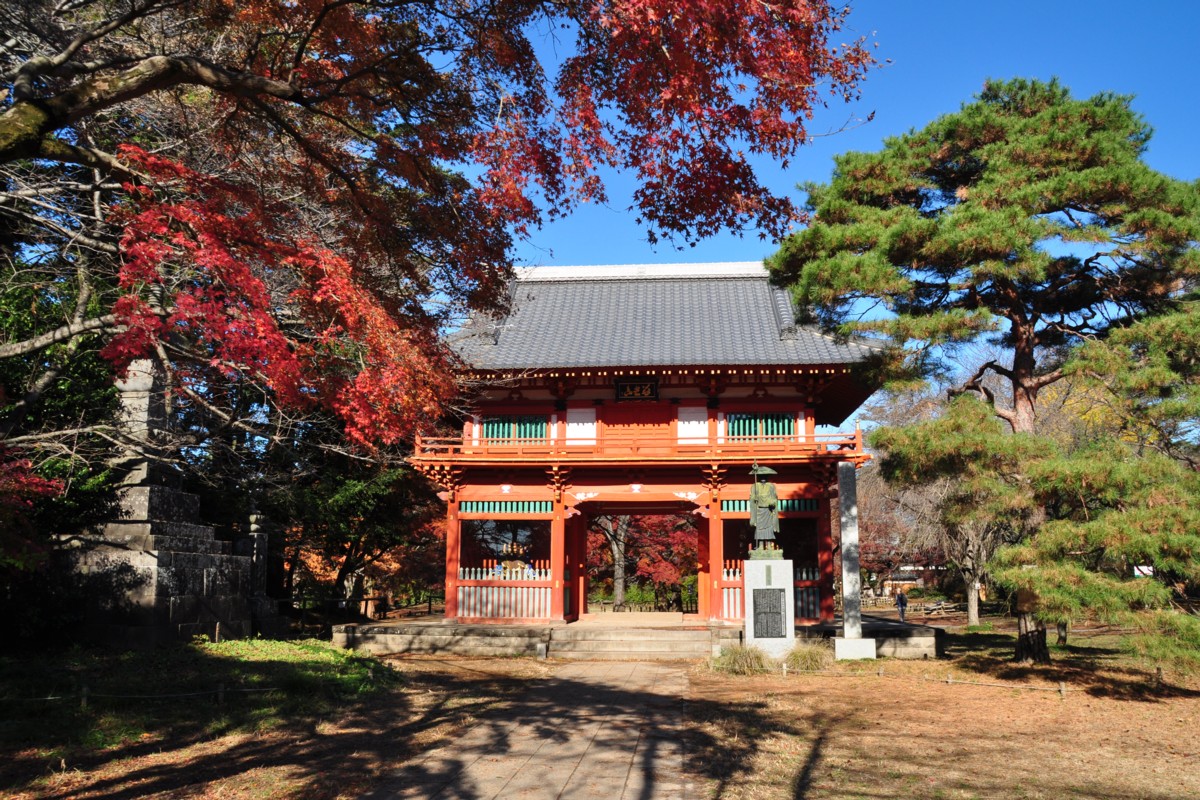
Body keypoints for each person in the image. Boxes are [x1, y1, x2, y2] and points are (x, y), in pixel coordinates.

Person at [748, 464, 780, 550]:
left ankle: (769, 546)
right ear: (758, 477)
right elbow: (752, 497)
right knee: (759, 528)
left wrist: (772, 502)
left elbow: (774, 497)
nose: (763, 478)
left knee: (769, 528)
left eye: (764, 476)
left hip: (768, 510)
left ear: (767, 477)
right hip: (759, 509)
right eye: (761, 476)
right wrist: (754, 498)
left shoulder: (771, 486)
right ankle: (761, 546)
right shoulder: (755, 486)